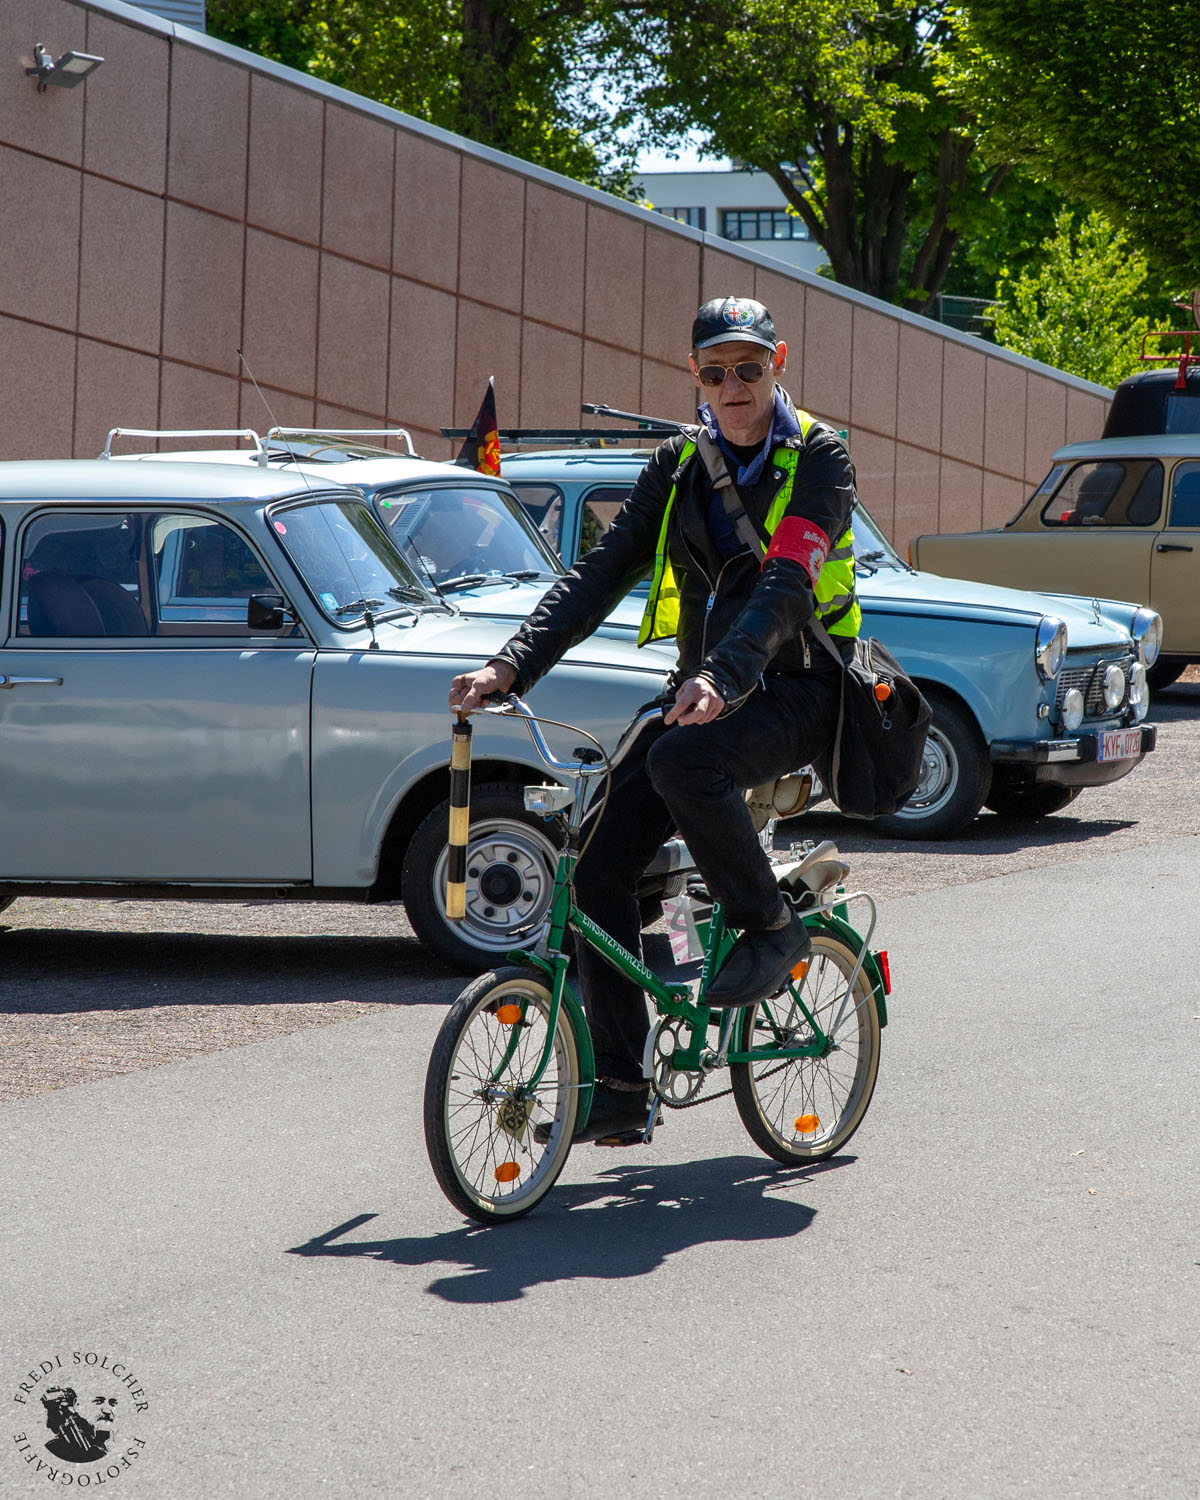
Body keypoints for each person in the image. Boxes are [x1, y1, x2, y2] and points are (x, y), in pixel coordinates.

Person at [450, 296, 861, 1142]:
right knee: (596, 869)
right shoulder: (679, 462)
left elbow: (788, 586)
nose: (733, 385)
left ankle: (772, 927)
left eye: (749, 367)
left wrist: (722, 673)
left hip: (799, 687)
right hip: (698, 692)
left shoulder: (820, 459)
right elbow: (598, 575)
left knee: (684, 764)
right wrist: (510, 663)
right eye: (716, 371)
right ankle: (625, 1087)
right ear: (696, 378)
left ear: (778, 362)